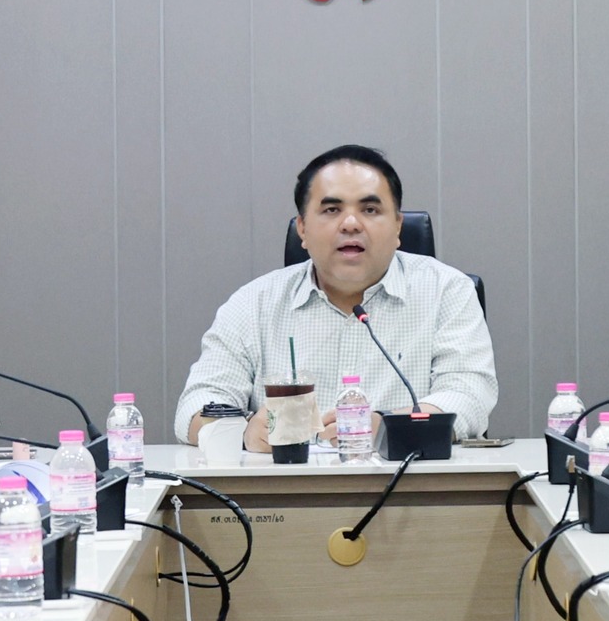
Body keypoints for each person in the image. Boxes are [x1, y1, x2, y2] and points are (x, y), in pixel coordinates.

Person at [175, 144, 497, 448]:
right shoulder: (252, 304)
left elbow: (469, 394)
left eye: (370, 209)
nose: (351, 224)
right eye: (331, 209)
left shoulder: (447, 292)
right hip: (286, 486)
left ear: (398, 227)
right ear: (302, 229)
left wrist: (392, 429)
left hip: (410, 482)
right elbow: (195, 406)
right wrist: (243, 430)